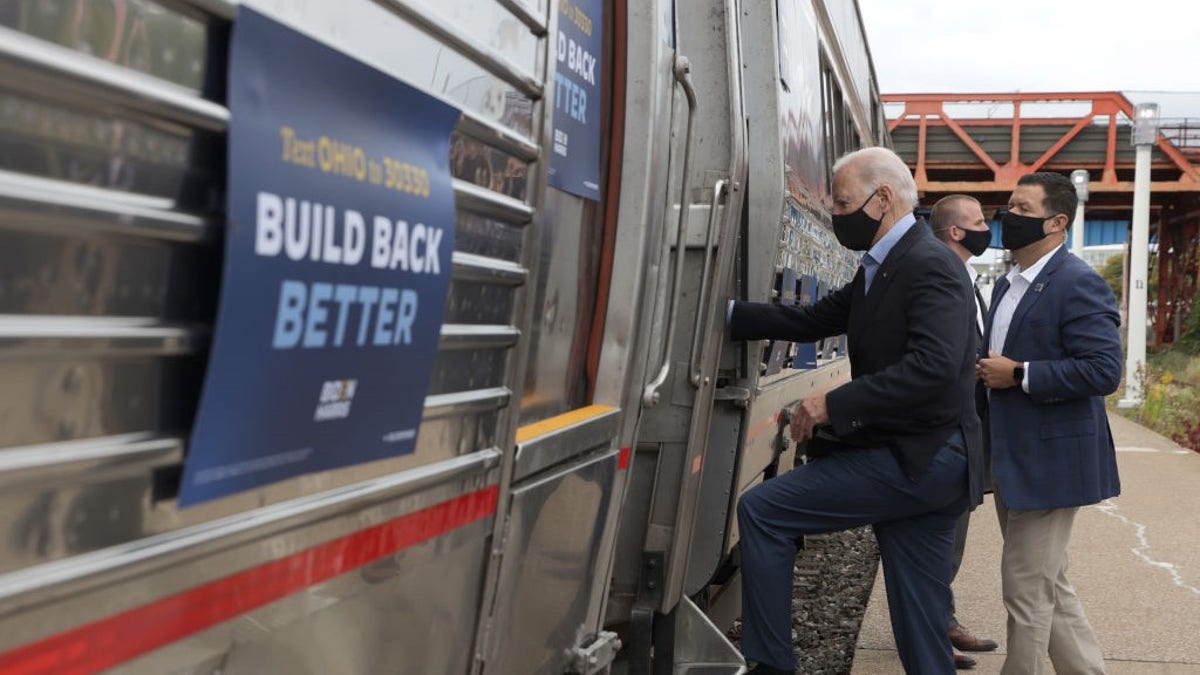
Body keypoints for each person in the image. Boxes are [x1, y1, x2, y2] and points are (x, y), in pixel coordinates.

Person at [731, 147, 985, 675]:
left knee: (764, 511)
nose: (836, 215)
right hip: (928, 458)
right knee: (919, 621)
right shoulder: (887, 265)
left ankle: (771, 664)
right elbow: (815, 319)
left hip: (922, 457)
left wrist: (832, 401)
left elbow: (933, 367)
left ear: (883, 198)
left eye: (843, 203)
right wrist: (730, 314)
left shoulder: (928, 264)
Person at [976, 172, 1121, 675]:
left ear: (1057, 222)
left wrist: (1019, 373)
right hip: (1013, 458)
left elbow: (1104, 370)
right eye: (1009, 205)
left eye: (1021, 208)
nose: (1007, 216)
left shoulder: (1079, 282)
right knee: (1048, 585)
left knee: (1025, 589)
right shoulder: (1006, 285)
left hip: (1052, 462)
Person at [929, 195, 1001, 669]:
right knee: (936, 538)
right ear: (956, 232)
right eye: (977, 223)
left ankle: (942, 621)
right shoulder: (941, 276)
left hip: (968, 433)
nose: (986, 229)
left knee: (951, 538)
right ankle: (932, 633)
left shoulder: (969, 279)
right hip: (942, 434)